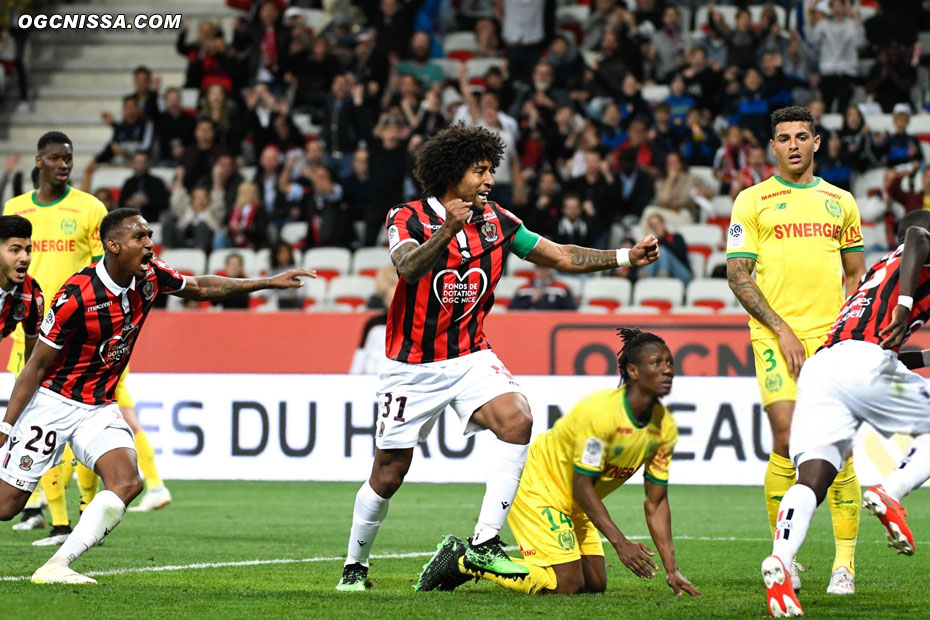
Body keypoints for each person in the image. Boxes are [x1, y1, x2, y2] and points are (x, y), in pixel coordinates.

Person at [335, 124, 660, 592]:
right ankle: (355, 567)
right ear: (451, 173)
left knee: (518, 418)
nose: (489, 180)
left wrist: (625, 256)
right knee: (388, 474)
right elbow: (406, 267)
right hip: (412, 367)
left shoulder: (499, 222)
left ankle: (484, 542)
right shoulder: (406, 216)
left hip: (470, 355)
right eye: (479, 171)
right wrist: (449, 228)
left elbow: (561, 256)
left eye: (491, 171)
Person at [0, 207, 315, 584]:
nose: (149, 244)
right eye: (140, 237)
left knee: (127, 481)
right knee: (7, 506)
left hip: (98, 406)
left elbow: (200, 287)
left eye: (149, 235)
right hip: (54, 402)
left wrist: (265, 282)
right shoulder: (76, 296)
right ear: (113, 246)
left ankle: (57, 565)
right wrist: (6, 428)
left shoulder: (149, 276)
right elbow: (35, 367)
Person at [415, 328, 700, 597]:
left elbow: (656, 502)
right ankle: (464, 560)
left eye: (668, 362)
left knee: (595, 584)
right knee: (567, 584)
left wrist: (672, 570)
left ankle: (473, 562)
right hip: (539, 487)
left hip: (575, 501)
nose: (666, 370)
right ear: (633, 371)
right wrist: (620, 543)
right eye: (656, 362)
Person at [762, 210, 930, 617]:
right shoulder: (917, 249)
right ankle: (890, 492)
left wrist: (922, 351)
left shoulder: (877, 272)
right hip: (864, 362)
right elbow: (917, 234)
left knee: (813, 478)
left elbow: (884, 344)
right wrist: (906, 306)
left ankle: (780, 561)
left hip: (825, 368)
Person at [727, 106, 866, 595]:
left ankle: (843, 566)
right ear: (772, 147)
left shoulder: (840, 201)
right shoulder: (752, 201)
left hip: (831, 340)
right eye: (783, 138)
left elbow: (855, 275)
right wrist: (781, 329)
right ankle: (784, 557)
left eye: (801, 137)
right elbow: (737, 275)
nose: (792, 145)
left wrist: (851, 330)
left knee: (837, 450)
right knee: (786, 438)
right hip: (774, 335)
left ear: (816, 143)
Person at [3, 132, 134, 545]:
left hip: (79, 336)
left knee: (85, 421)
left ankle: (76, 518)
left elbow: (109, 268)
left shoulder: (90, 208)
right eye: (56, 158)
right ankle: (56, 518)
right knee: (41, 426)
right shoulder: (15, 208)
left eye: (69, 158)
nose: (64, 164)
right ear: (39, 161)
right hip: (40, 340)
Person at [508, 265, 577, 311]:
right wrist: (531, 300)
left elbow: (571, 310)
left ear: (550, 270)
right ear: (535, 270)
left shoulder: (561, 288)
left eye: (545, 268)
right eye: (539, 268)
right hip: (529, 324)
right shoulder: (523, 289)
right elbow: (512, 310)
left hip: (553, 323)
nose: (542, 271)